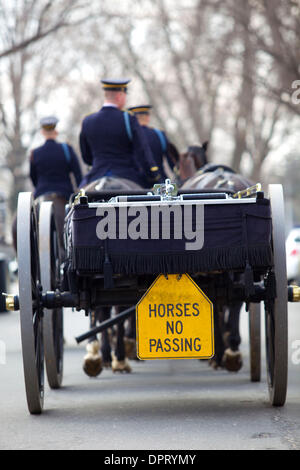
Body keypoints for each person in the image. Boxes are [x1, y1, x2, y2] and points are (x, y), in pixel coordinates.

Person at [79, 79, 161, 189]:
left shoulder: (88, 120)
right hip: (127, 174)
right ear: (119, 96)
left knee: (75, 201)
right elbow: (142, 151)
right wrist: (153, 177)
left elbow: (86, 157)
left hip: (97, 174)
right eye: (125, 96)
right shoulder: (128, 118)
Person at [29, 116, 82, 249]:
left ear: (42, 132)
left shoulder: (35, 153)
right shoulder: (66, 150)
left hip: (42, 195)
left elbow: (33, 178)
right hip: (63, 195)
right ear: (55, 131)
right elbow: (78, 175)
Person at [128, 105, 178, 181]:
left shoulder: (129, 136)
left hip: (137, 184)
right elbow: (171, 161)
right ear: (147, 117)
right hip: (160, 181)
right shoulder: (159, 134)